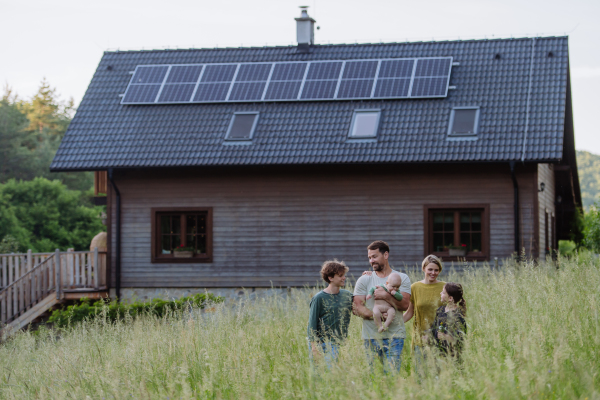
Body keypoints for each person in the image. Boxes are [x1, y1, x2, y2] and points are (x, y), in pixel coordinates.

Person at [353, 240, 411, 373]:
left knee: (392, 377)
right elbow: (357, 307)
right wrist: (376, 315)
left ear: (385, 255)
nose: (371, 261)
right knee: (374, 378)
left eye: (374, 256)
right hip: (371, 336)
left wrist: (385, 296)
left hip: (395, 336)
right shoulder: (364, 279)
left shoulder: (401, 278)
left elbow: (404, 305)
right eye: (369, 258)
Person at [307, 260, 354, 369]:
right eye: (341, 275)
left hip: (337, 344)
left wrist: (367, 277)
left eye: (344, 275)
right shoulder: (319, 298)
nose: (344, 278)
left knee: (332, 375)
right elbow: (311, 324)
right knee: (318, 375)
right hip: (320, 344)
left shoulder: (347, 295)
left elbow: (361, 302)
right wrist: (314, 348)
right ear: (330, 278)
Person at [402, 255, 446, 369]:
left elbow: (450, 313)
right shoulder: (415, 287)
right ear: (424, 269)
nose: (433, 273)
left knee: (438, 376)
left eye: (436, 270)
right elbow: (410, 312)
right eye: (430, 269)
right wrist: (394, 322)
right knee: (420, 376)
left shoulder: (445, 287)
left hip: (440, 339)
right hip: (420, 339)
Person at [428, 282, 467, 360]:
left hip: (452, 356)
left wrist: (446, 337)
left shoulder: (458, 316)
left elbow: (460, 339)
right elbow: (434, 328)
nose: (440, 293)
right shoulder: (440, 310)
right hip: (438, 354)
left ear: (450, 298)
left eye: (443, 292)